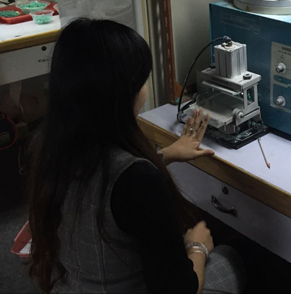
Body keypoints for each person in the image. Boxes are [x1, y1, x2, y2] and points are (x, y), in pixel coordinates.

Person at [27, 18, 246, 293]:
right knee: (230, 257)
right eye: (142, 79)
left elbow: (105, 177)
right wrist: (197, 247)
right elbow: (179, 289)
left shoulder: (48, 146)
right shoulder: (140, 181)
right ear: (122, 93)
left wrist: (165, 154)